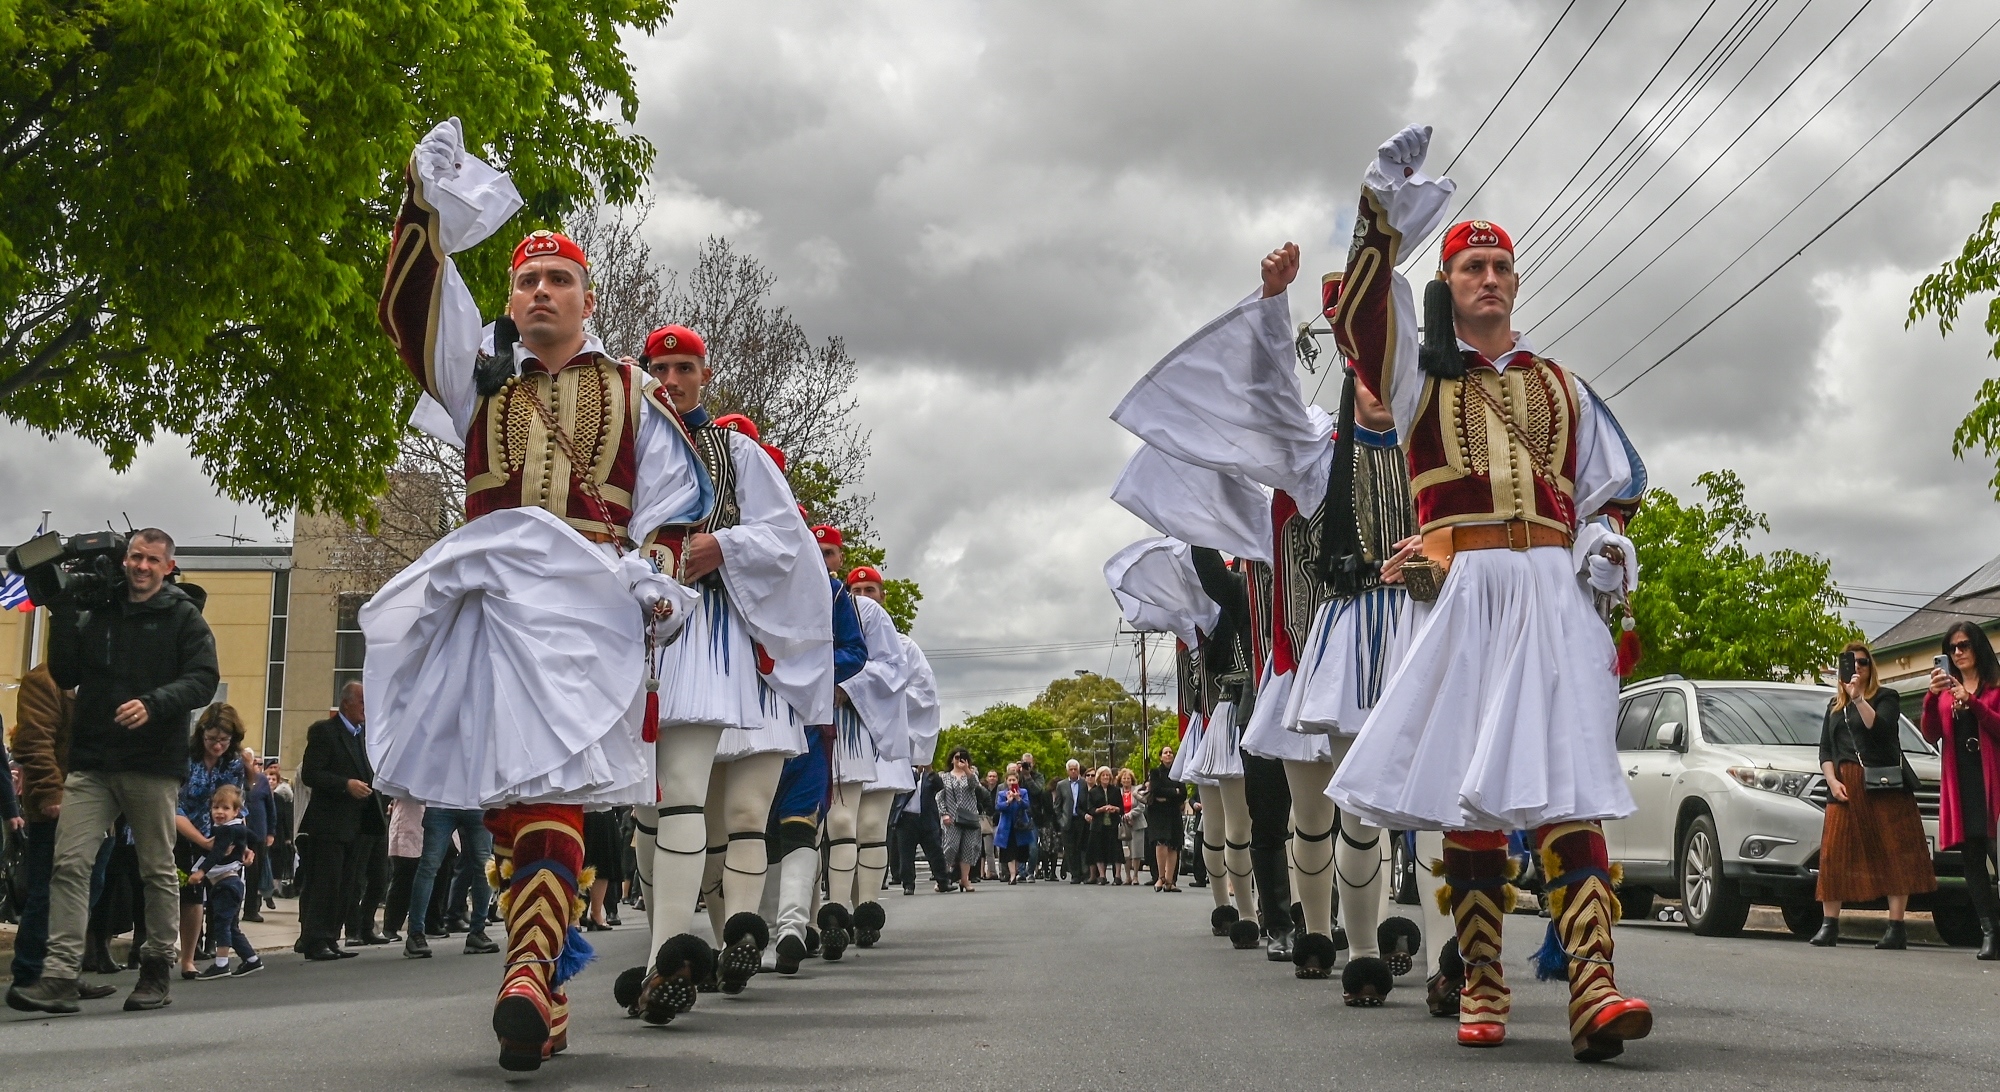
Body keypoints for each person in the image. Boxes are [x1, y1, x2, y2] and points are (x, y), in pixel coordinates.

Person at [373, 118, 710, 1069]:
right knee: (516, 803)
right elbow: (412, 311)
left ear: (587, 297)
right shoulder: (474, 378)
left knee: (553, 795)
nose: (538, 292)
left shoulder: (636, 390)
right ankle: (543, 983)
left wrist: (657, 573)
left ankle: (526, 973)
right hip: (492, 609)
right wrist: (421, 209)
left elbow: (679, 505)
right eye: (525, 279)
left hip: (587, 616)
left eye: (557, 279)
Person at [1319, 125, 1651, 1059]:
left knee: (1570, 787)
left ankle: (1593, 984)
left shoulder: (1562, 383)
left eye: (1501, 266)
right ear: (1449, 286)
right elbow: (1362, 317)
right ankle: (1484, 975)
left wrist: (1602, 548)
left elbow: (1605, 493)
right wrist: (1378, 208)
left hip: (1549, 588)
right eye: (1472, 268)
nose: (1490, 279)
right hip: (1464, 588)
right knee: (1469, 801)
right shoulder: (1417, 380)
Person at [632, 342, 827, 997]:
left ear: (704, 375)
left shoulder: (736, 453)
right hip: (631, 635)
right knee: (648, 809)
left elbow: (786, 540)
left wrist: (724, 545)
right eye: (658, 370)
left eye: (683, 369)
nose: (670, 380)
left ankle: (670, 956)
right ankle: (679, 946)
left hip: (703, 634)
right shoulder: (622, 445)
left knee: (688, 793)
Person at [8, 528, 220, 1017]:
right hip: (94, 760)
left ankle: (155, 969)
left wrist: (153, 703)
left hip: (150, 761)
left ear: (168, 567)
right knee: (69, 863)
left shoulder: (182, 616)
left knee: (156, 869)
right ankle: (59, 974)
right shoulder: (99, 609)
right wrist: (60, 609)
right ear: (125, 560)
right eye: (135, 557)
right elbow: (65, 674)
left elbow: (203, 678)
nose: (141, 566)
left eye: (151, 559)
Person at [1811, 641, 1934, 949]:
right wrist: (1831, 779)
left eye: (1863, 662)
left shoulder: (1886, 697)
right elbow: (1826, 749)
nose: (1858, 668)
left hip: (1884, 784)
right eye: (1851, 663)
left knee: (1894, 852)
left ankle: (1896, 927)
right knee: (1833, 852)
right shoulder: (1833, 706)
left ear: (1871, 667)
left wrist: (1859, 699)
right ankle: (1829, 925)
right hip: (1845, 784)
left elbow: (1879, 730)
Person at [1921, 622, 2000, 960]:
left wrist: (1973, 702)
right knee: (1972, 862)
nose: (1958, 653)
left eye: (1964, 645)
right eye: (1952, 648)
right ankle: (1990, 933)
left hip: (1992, 781)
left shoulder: (1996, 686)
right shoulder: (1943, 690)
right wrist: (1930, 697)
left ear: (1978, 647)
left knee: (1998, 854)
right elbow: (1929, 734)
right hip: (1962, 780)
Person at [297, 682, 387, 962]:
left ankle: (331, 936)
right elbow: (311, 773)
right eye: (362, 702)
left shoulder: (362, 737)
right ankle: (315, 938)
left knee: (347, 884)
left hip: (357, 824)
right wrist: (345, 784)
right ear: (346, 703)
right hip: (329, 823)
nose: (366, 709)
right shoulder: (325, 732)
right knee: (326, 882)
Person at [175, 704, 248, 978]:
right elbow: (173, 806)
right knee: (180, 891)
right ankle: (164, 952)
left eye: (224, 740)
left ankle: (192, 959)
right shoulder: (186, 757)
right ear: (201, 734)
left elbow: (240, 806)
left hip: (219, 836)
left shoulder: (233, 763)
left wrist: (243, 846)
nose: (217, 745)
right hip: (181, 831)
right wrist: (202, 841)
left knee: (208, 895)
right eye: (211, 739)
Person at [188, 784, 262, 979]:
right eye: (216, 807)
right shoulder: (236, 828)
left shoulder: (224, 832)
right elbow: (255, 837)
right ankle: (252, 960)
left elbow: (217, 853)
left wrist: (201, 872)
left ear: (236, 811)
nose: (219, 812)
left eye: (226, 808)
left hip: (225, 884)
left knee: (221, 923)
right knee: (230, 926)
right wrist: (245, 849)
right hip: (232, 883)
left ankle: (222, 963)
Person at [893, 766, 951, 896]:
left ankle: (943, 881)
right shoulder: (904, 773)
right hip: (907, 818)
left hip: (926, 818)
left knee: (935, 851)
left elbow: (939, 786)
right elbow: (902, 789)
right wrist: (917, 773)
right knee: (906, 855)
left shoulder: (929, 775)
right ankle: (908, 884)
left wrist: (930, 770)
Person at [935, 749, 983, 893]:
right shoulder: (944, 777)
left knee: (969, 848)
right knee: (950, 847)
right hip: (952, 818)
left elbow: (975, 786)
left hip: (969, 817)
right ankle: (943, 879)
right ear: (951, 759)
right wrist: (944, 814)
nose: (959, 760)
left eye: (963, 758)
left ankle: (965, 879)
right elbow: (939, 797)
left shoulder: (971, 775)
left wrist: (967, 770)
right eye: (956, 757)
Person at [239, 747, 275, 924]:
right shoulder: (236, 778)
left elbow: (270, 807)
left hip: (258, 833)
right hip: (238, 832)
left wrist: (271, 832)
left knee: (254, 874)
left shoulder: (261, 780)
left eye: (249, 760)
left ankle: (251, 909)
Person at [383, 797, 425, 944]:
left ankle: (423, 925)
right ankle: (390, 926)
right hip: (407, 821)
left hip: (423, 822)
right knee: (403, 878)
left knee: (421, 878)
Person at [1147, 747, 1185, 892]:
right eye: (1165, 753)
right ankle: (1160, 877)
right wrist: (1173, 791)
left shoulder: (1178, 772)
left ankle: (1170, 881)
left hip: (1173, 812)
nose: (1168, 755)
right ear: (1160, 757)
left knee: (1174, 844)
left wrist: (1169, 794)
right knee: (1161, 841)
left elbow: (1183, 793)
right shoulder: (1155, 772)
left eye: (1170, 752)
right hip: (1158, 812)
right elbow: (1155, 790)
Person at [1051, 760, 1090, 883]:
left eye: (1075, 769)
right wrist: (1060, 819)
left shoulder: (1084, 784)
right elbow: (1057, 804)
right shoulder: (1061, 785)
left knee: (1081, 847)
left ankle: (1084, 872)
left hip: (1081, 819)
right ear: (1067, 771)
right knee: (1070, 848)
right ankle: (1075, 874)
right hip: (1067, 820)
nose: (1073, 771)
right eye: (1071, 769)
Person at [1085, 767, 1125, 885]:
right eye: (1103, 775)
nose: (1106, 778)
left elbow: (1121, 808)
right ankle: (1102, 876)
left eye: (1108, 775)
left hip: (1113, 824)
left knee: (1116, 850)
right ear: (1099, 777)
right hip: (1099, 825)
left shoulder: (1116, 790)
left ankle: (1117, 876)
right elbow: (1090, 809)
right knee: (1099, 850)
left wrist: (1115, 808)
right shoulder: (1093, 791)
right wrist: (1100, 809)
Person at [994, 773, 1035, 884]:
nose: (1012, 782)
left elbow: (1027, 805)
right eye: (1010, 780)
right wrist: (1008, 801)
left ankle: (1015, 872)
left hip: (1020, 826)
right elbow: (998, 807)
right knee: (1009, 852)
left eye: (1014, 780)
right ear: (1006, 781)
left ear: (1017, 780)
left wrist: (1018, 799)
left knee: (1018, 852)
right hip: (1007, 827)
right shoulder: (1002, 793)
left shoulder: (1023, 792)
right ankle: (1012, 875)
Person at [1119, 768, 1145, 885]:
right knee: (1125, 852)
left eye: (1128, 778)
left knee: (1136, 851)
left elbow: (1141, 806)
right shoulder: (1117, 792)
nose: (1126, 780)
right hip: (1123, 825)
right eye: (1124, 778)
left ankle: (1135, 876)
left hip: (1137, 824)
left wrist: (1130, 815)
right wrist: (1123, 817)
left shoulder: (1137, 791)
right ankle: (1127, 876)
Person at [979, 769, 1002, 881]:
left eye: (994, 776)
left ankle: (1002, 871)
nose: (992, 778)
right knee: (988, 850)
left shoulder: (1000, 789)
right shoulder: (983, 791)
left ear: (997, 778)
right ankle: (992, 872)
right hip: (987, 822)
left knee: (1000, 848)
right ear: (987, 778)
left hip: (998, 822)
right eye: (990, 776)